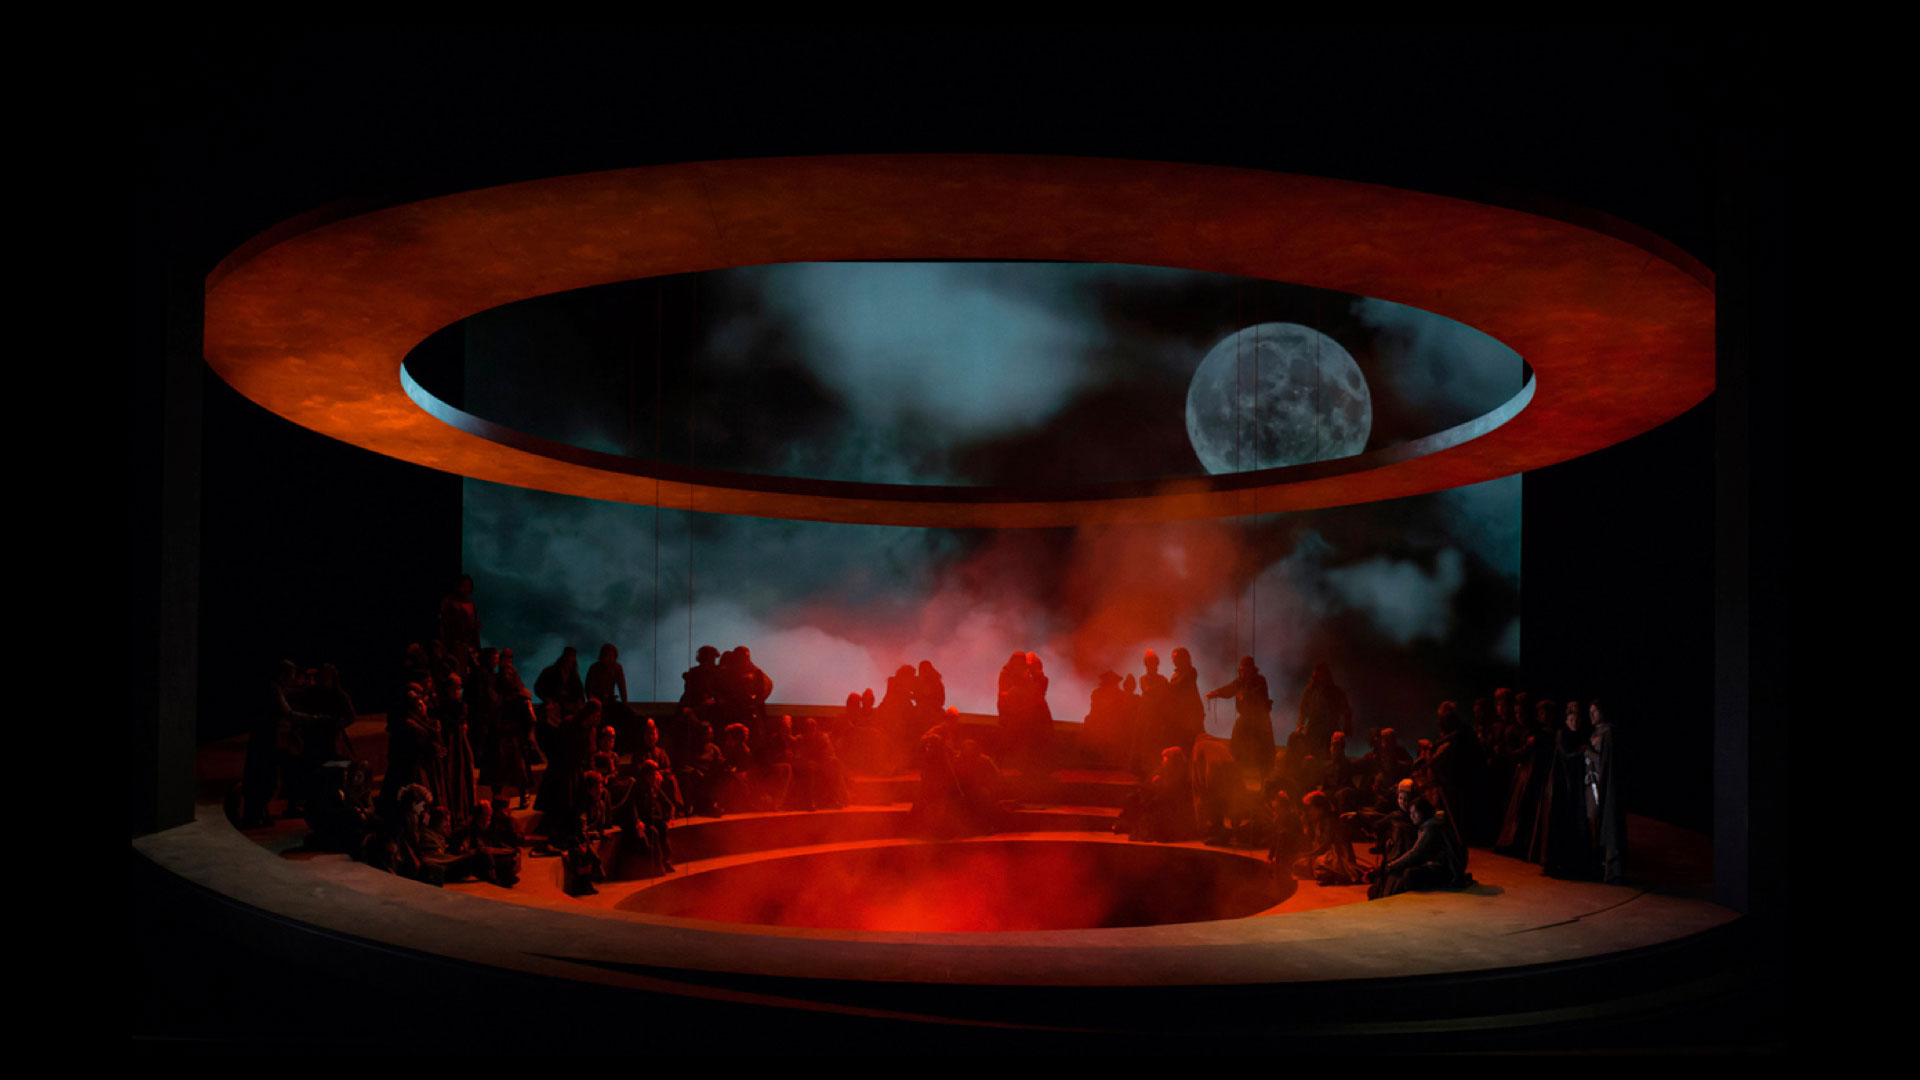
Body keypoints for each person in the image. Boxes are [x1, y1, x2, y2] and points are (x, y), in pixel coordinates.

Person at [1370, 795, 1470, 898]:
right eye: (1411, 813)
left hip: (1444, 869)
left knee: (1408, 873)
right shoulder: (1432, 822)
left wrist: (1392, 865)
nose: (1412, 816)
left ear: (1423, 812)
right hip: (1441, 865)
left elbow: (1416, 853)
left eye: (1415, 813)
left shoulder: (1431, 827)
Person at [1206, 657, 1274, 774]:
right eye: (1242, 670)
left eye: (1246, 670)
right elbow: (1229, 689)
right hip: (1246, 717)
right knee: (1236, 743)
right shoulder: (1239, 682)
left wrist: (1245, 695)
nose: (1243, 673)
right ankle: (1234, 769)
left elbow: (1258, 695)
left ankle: (1266, 772)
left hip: (1260, 719)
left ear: (1252, 670)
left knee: (1263, 748)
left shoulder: (1260, 680)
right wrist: (1216, 693)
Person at [1586, 700, 1626, 885]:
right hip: (1592, 785)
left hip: (1603, 786)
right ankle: (1600, 866)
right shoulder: (1597, 732)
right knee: (1596, 824)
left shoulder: (1608, 732)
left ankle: (1612, 870)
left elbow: (1606, 761)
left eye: (1595, 711)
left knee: (1608, 825)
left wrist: (1588, 752)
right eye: (1590, 712)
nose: (1591, 715)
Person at [1295, 662, 1353, 761]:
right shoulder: (1310, 690)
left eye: (1321, 673)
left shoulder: (1335, 692)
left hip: (1329, 731)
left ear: (1326, 675)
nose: (1319, 676)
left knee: (1328, 758)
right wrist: (1300, 725)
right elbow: (1303, 709)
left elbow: (1347, 710)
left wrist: (1347, 728)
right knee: (1311, 757)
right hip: (1313, 730)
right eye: (1317, 673)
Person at [1167, 647, 1206, 751]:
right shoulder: (1174, 676)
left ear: (1183, 658)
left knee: (1197, 743)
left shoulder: (1191, 671)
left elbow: (1181, 684)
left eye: (1176, 657)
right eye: (1173, 658)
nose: (1174, 660)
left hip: (1192, 715)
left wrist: (1166, 686)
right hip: (1181, 716)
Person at [438, 574, 481, 657]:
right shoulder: (449, 602)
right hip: (453, 644)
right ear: (458, 586)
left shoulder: (471, 603)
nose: (466, 589)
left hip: (469, 643)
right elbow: (443, 623)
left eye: (468, 586)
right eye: (463, 586)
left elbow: (474, 625)